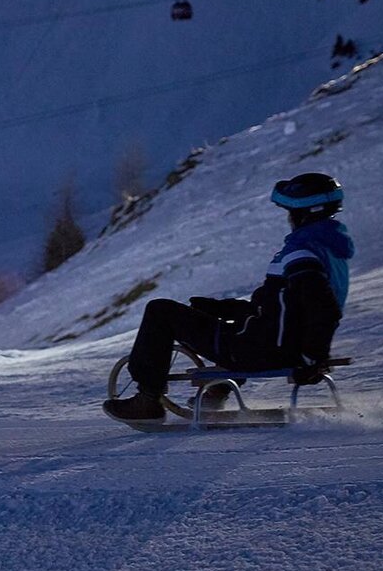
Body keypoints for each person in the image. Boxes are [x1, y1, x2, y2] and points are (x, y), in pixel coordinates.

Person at [103, 173, 355, 421]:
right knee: (226, 326)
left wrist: (312, 358)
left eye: (290, 211)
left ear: (303, 213)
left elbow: (323, 308)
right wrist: (223, 309)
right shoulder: (330, 251)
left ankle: (147, 401)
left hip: (263, 351)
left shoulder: (302, 252)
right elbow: (279, 310)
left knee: (160, 311)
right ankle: (217, 393)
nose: (288, 217)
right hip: (276, 345)